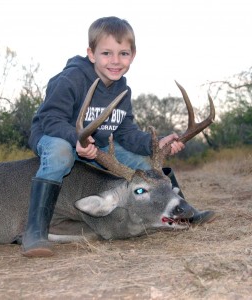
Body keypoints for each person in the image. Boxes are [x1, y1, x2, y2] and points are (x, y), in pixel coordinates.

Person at [22, 16, 214, 258]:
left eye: (123, 53)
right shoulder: (70, 79)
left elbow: (125, 132)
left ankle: (185, 212)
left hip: (98, 145)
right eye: (106, 53)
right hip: (55, 137)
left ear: (132, 56)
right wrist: (77, 140)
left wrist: (154, 144)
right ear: (91, 54)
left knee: (145, 166)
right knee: (61, 156)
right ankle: (35, 230)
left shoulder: (123, 91)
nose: (115, 61)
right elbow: (50, 118)